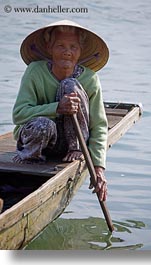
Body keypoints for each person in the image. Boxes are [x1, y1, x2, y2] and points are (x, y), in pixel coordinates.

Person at [12, 20, 109, 201]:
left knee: (69, 85)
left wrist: (98, 168)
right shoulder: (35, 71)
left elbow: (99, 126)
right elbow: (19, 114)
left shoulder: (90, 79)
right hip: (38, 142)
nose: (67, 52)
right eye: (60, 46)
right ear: (49, 48)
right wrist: (56, 108)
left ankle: (77, 148)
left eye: (73, 47)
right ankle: (29, 159)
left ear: (80, 51)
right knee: (44, 124)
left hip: (71, 147)